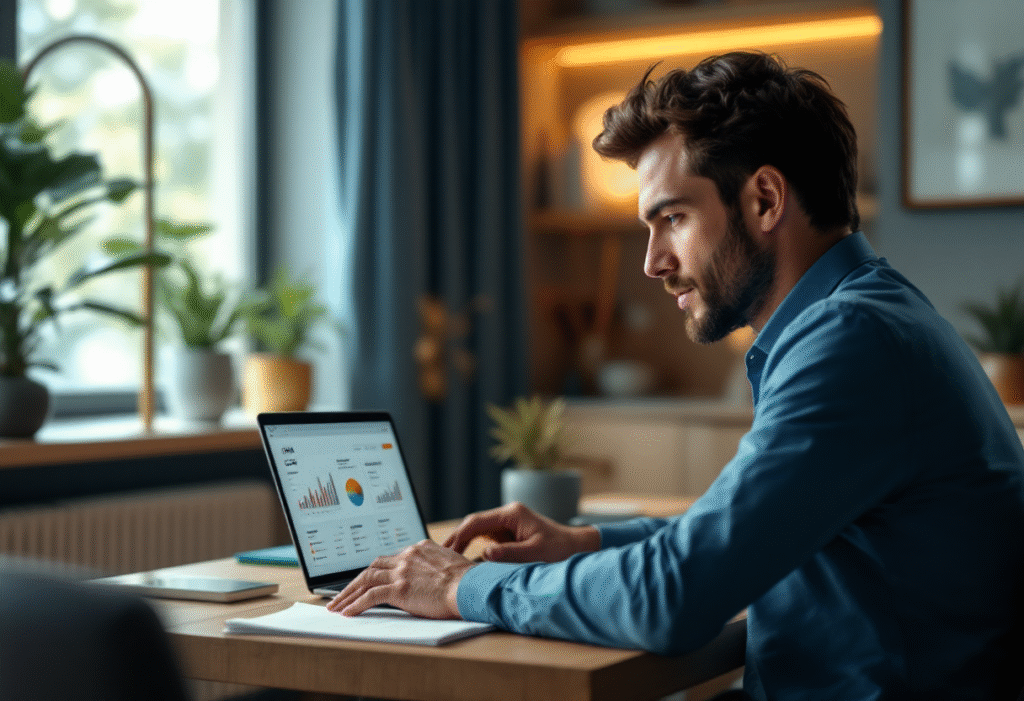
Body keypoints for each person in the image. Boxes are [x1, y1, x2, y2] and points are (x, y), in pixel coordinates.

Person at [329, 52, 1024, 700]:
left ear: (764, 200)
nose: (652, 261)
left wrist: (465, 583)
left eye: (673, 218)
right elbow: (739, 536)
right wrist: (587, 541)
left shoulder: (850, 342)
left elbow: (675, 596)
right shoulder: (868, 318)